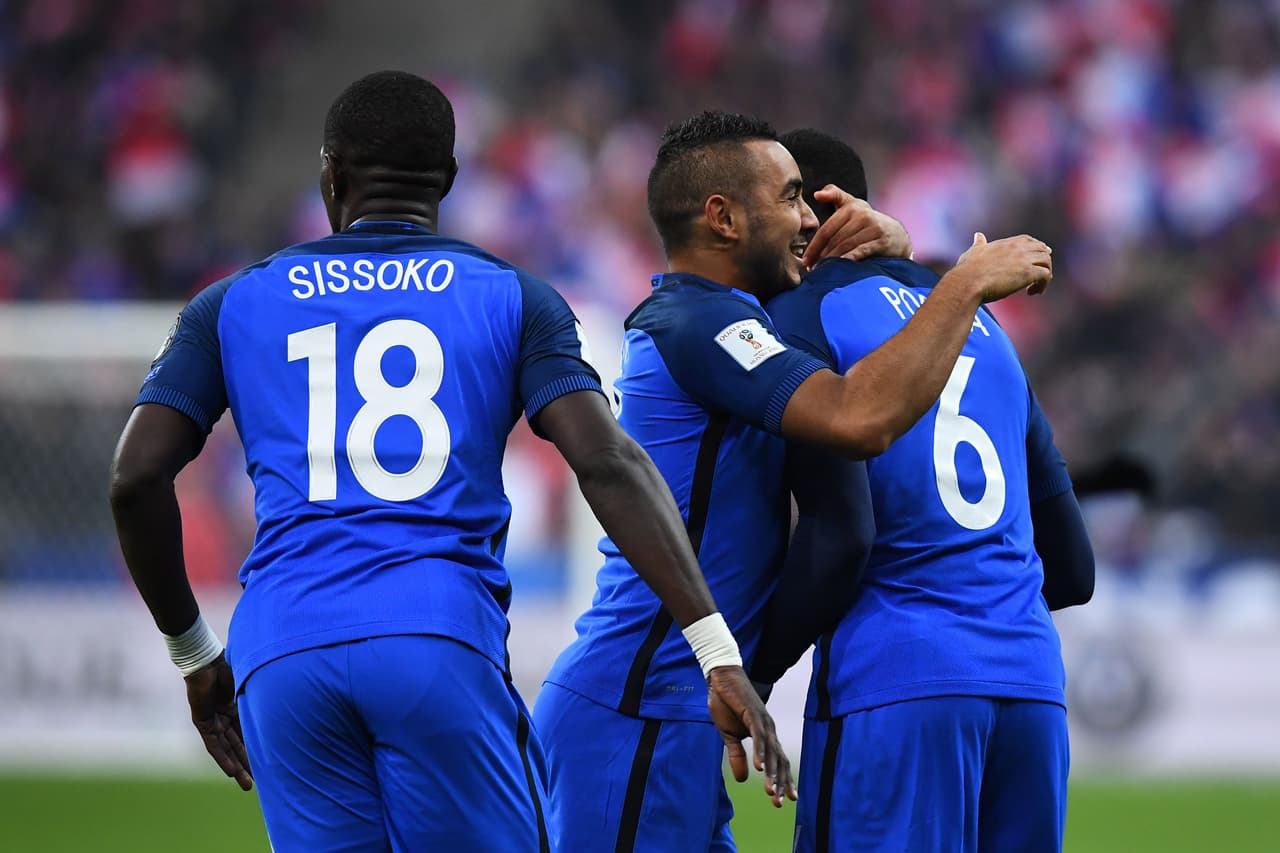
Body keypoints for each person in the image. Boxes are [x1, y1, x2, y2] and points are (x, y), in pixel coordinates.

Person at [107, 71, 790, 853]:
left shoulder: (231, 302)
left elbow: (134, 477)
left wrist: (196, 655)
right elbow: (607, 462)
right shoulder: (514, 297)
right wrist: (713, 647)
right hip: (433, 635)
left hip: (282, 647)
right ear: (450, 181)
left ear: (331, 175)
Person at [533, 111, 1056, 852]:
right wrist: (959, 282)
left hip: (682, 701)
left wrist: (895, 256)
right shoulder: (696, 321)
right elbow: (857, 414)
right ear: (723, 217)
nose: (808, 218)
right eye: (791, 199)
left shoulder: (743, 321)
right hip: (640, 700)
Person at [752, 127, 1096, 853]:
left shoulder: (795, 318)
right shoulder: (984, 321)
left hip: (896, 684)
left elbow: (843, 533)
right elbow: (1074, 568)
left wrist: (750, 668)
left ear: (806, 214)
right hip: (1032, 689)